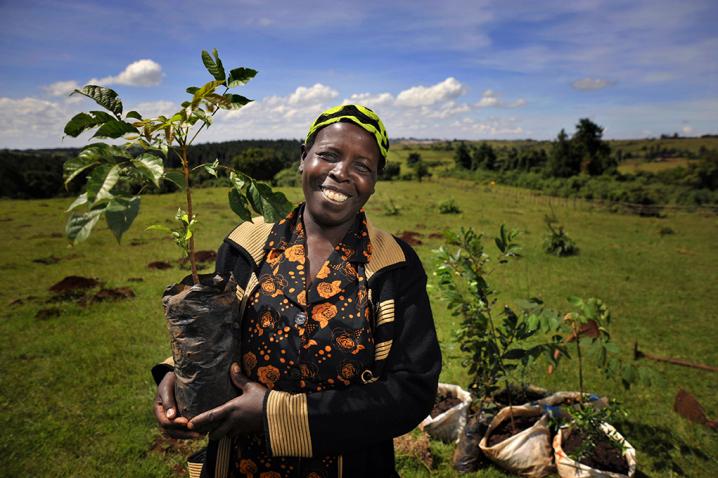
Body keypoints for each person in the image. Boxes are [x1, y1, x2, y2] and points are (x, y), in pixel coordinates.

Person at [153, 104, 441, 478]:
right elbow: (215, 336)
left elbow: (412, 392)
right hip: (238, 464)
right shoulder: (248, 245)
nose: (341, 173)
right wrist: (178, 377)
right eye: (329, 155)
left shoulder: (393, 266)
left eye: (362, 166)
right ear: (303, 158)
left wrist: (273, 414)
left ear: (374, 180)